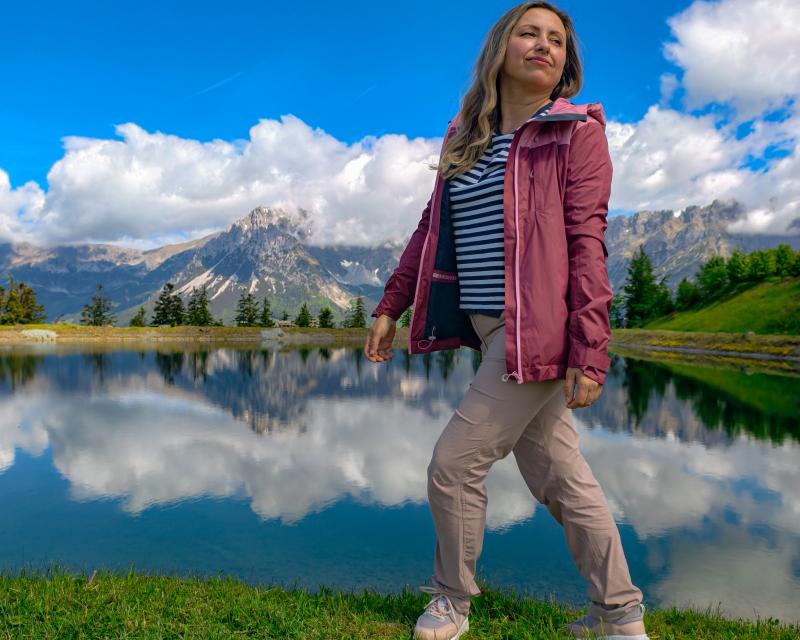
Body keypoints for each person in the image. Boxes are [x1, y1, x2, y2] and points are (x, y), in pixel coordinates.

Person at [364, 2, 649, 639]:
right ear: (501, 47)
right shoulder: (466, 136)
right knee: (560, 476)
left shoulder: (576, 134)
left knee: (453, 463)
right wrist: (390, 305)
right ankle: (620, 618)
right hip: (491, 328)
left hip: (536, 330)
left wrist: (591, 350)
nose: (544, 45)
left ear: (565, 63)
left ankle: (451, 601)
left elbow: (587, 244)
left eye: (556, 40)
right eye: (529, 33)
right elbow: (430, 231)